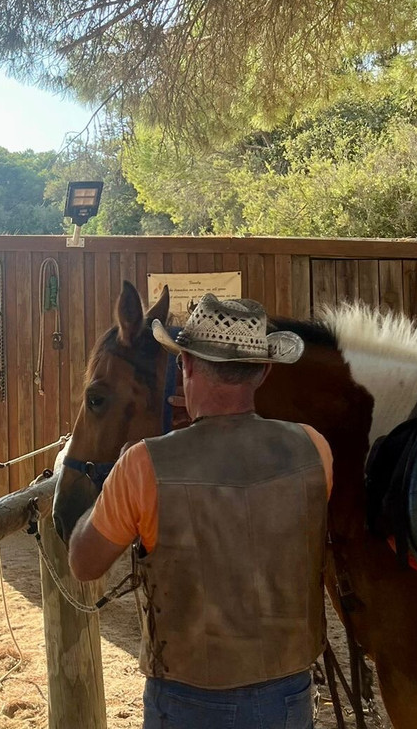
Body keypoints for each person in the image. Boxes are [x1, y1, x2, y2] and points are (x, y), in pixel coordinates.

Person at [68, 293, 333, 729]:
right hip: (289, 694)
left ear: (185, 366)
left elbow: (85, 562)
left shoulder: (140, 466)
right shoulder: (314, 448)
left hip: (185, 700)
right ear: (263, 371)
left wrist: (107, 484)